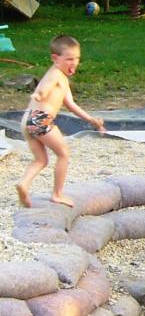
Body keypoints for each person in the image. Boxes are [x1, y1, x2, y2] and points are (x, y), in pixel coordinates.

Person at [16, 35, 106, 209]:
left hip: (28, 119)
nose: (74, 62)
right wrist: (40, 94)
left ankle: (23, 184)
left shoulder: (63, 78)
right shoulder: (55, 73)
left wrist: (91, 120)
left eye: (77, 58)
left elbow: (71, 105)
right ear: (55, 58)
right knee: (63, 153)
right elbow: (45, 87)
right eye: (69, 59)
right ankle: (57, 194)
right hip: (39, 119)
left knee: (41, 160)